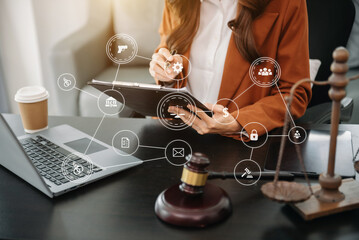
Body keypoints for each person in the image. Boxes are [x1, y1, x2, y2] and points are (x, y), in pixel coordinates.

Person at [149, 0, 311, 140]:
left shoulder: (287, 4)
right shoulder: (177, 3)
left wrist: (239, 122)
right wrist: (165, 73)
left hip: (237, 145)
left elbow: (294, 93)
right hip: (173, 134)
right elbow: (166, 49)